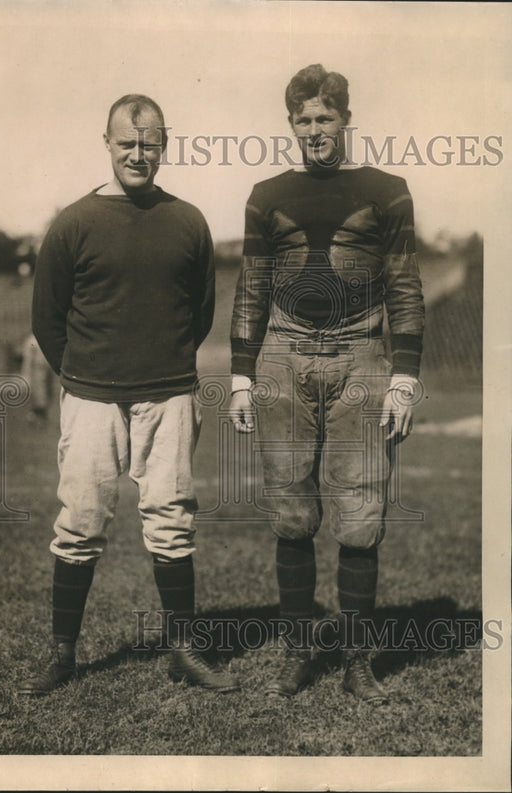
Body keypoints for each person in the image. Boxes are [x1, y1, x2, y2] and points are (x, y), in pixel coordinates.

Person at [19, 94, 239, 695]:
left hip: (168, 395)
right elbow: (48, 319)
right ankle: (64, 653)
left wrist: (160, 367)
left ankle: (184, 652)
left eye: (151, 144)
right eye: (127, 144)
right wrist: (87, 376)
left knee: (171, 522)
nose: (139, 155)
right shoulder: (73, 222)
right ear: (107, 143)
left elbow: (199, 312)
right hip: (91, 397)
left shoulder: (189, 220)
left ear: (165, 144)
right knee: (80, 522)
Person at [229, 64, 425, 704]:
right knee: (290, 513)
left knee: (361, 515)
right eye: (303, 120)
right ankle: (297, 652)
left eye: (326, 118)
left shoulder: (387, 189)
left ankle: (358, 659)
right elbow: (253, 285)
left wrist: (405, 375)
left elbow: (403, 283)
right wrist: (238, 372)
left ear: (346, 120)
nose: (315, 130)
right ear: (290, 124)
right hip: (283, 351)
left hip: (362, 351)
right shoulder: (266, 193)